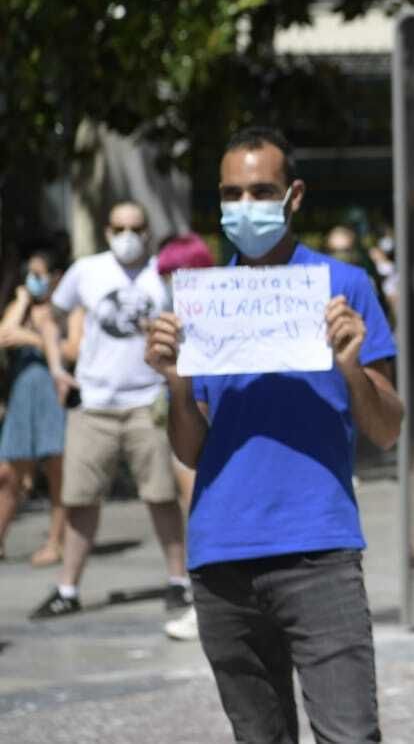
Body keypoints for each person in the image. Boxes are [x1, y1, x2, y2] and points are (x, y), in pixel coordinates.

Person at [144, 126, 403, 743]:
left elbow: (388, 429)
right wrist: (177, 383)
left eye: (261, 191)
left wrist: (350, 366)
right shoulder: (205, 302)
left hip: (319, 551)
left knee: (350, 735)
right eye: (231, 194)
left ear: (294, 196)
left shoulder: (345, 287)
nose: (245, 206)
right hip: (220, 559)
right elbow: (190, 450)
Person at [30, 201, 190, 626]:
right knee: (79, 498)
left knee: (161, 496)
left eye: (135, 228)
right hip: (94, 404)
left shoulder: (164, 274)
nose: (127, 236)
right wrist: (56, 367)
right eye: (118, 228)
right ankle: (68, 589)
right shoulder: (87, 270)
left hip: (148, 403)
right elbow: (49, 316)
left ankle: (179, 580)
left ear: (148, 231)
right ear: (106, 231)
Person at [152, 231, 216, 642]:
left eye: (178, 274)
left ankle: (204, 604)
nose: (171, 283)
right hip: (179, 416)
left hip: (201, 423)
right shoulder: (172, 317)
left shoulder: (209, 319)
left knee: (199, 509)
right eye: (166, 275)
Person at [0, 244, 75, 565]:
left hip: (53, 395)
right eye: (28, 274)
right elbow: (4, 334)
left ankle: (56, 541)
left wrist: (32, 338)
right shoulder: (22, 308)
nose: (32, 279)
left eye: (38, 274)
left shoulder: (67, 310)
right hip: (22, 397)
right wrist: (21, 301)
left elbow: (72, 351)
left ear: (56, 277)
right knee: (7, 473)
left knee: (58, 473)